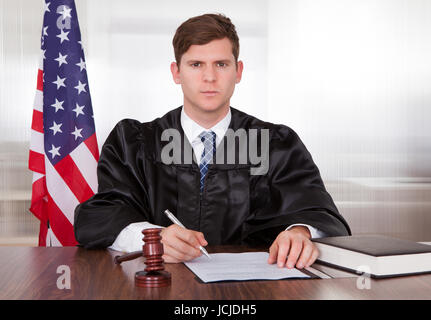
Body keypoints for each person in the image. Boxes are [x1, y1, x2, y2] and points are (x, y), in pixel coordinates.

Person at [74, 13, 350, 270]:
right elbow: (101, 215)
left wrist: (300, 232)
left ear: (238, 71)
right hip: (160, 285)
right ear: (176, 72)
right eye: (196, 64)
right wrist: (152, 239)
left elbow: (316, 209)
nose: (209, 77)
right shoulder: (134, 143)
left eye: (221, 64)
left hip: (255, 289)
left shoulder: (275, 144)